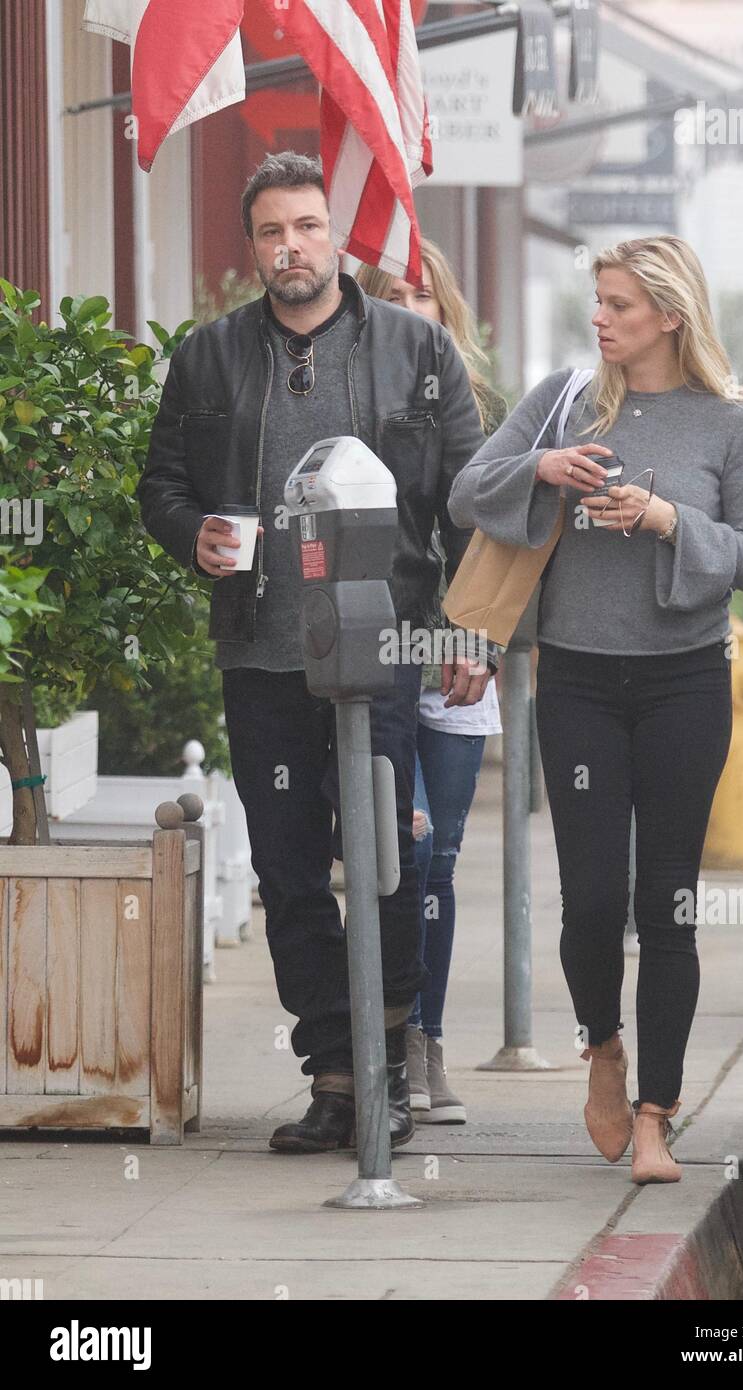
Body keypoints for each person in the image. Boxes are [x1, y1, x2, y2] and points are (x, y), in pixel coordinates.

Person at [137, 151, 493, 1155]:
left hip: (381, 646)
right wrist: (190, 530)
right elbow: (161, 486)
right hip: (261, 650)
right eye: (270, 231)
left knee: (394, 855)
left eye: (305, 225)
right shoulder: (208, 357)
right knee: (291, 869)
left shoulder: (416, 350)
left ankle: (387, 1065)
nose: (289, 246)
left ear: (334, 235)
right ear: (250, 246)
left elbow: (466, 504)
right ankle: (333, 1076)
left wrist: (468, 627)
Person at [448, 234, 743, 1184]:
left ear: (670, 317)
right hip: (580, 682)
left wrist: (667, 519)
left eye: (619, 306)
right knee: (592, 899)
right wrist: (544, 471)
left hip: (684, 682)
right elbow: (471, 491)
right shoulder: (562, 398)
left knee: (666, 902)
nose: (600, 319)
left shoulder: (733, 427)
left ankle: (653, 1119)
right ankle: (603, 1047)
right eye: (597, 301)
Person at [356, 241, 507, 1123]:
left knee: (439, 859)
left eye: (428, 296)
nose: (414, 309)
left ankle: (425, 1044)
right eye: (394, 294)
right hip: (374, 658)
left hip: (450, 657)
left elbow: (484, 541)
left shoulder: (469, 415)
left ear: (448, 317)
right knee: (395, 848)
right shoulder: (345, 396)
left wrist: (470, 634)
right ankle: (379, 1041)